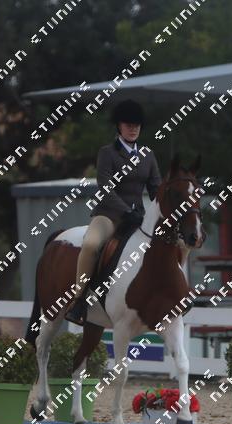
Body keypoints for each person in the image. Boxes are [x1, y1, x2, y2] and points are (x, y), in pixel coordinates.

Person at [65, 99, 162, 325]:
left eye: (136, 125)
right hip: (109, 215)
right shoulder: (107, 153)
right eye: (128, 124)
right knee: (91, 245)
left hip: (137, 219)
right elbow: (105, 188)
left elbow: (156, 190)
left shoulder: (148, 155)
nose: (133, 128)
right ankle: (78, 300)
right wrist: (126, 211)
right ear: (119, 126)